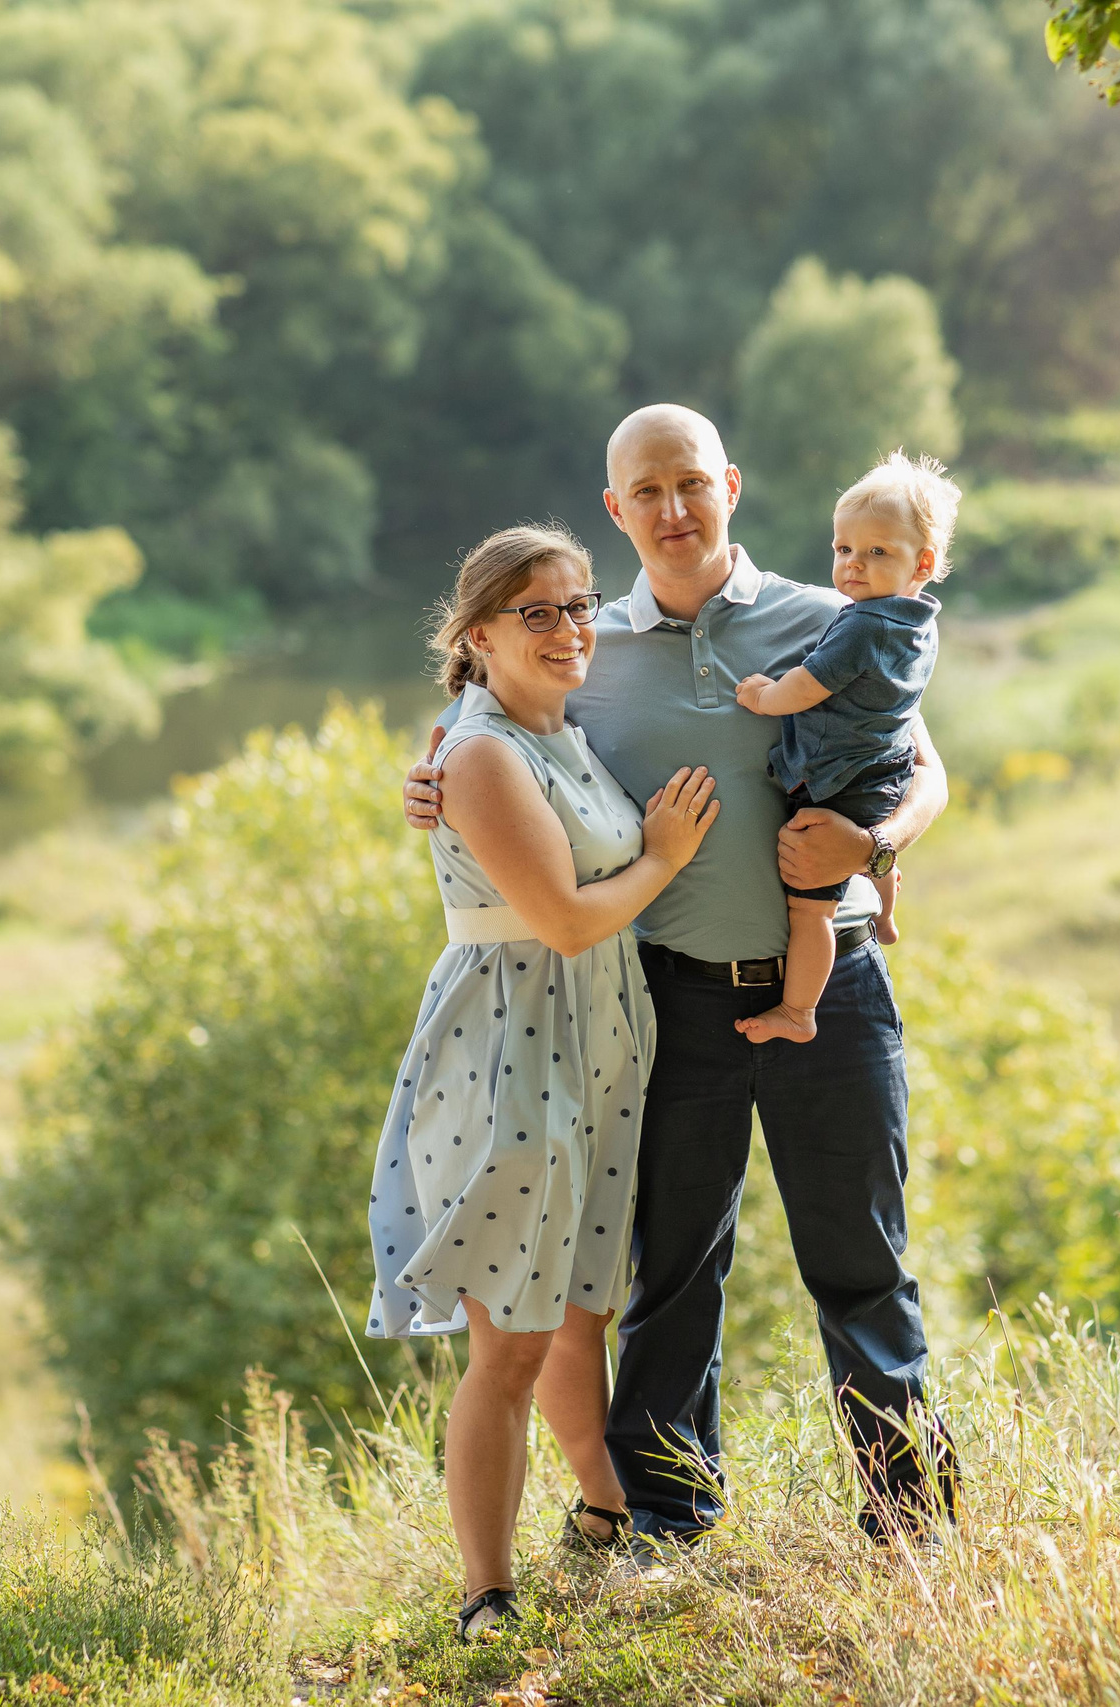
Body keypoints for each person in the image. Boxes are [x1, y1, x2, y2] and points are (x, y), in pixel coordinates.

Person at [405, 404, 960, 1551]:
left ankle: (910, 1520)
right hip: (669, 1002)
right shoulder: (584, 648)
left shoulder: (831, 619)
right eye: (647, 491)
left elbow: (927, 772)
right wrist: (428, 779)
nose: (672, 508)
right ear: (616, 509)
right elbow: (489, 726)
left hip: (835, 992)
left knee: (862, 1264)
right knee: (670, 1277)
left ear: (730, 487)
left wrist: (876, 842)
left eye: (691, 483)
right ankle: (666, 1521)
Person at [366, 523, 719, 1641]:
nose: (570, 628)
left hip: (594, 1044)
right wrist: (663, 857)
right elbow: (565, 921)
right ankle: (487, 1594)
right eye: (538, 612)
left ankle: (608, 1513)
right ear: (477, 635)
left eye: (578, 605)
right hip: (510, 1053)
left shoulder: (558, 727)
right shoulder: (478, 755)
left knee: (576, 1312)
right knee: (511, 1340)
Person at [731, 452, 956, 1046]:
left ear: (922, 563)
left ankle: (799, 1010)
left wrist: (763, 696)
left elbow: (809, 685)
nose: (854, 563)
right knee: (872, 848)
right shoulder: (919, 621)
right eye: (844, 548)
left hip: (840, 780)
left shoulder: (863, 625)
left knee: (812, 910)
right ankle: (885, 911)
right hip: (886, 771)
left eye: (877, 551)